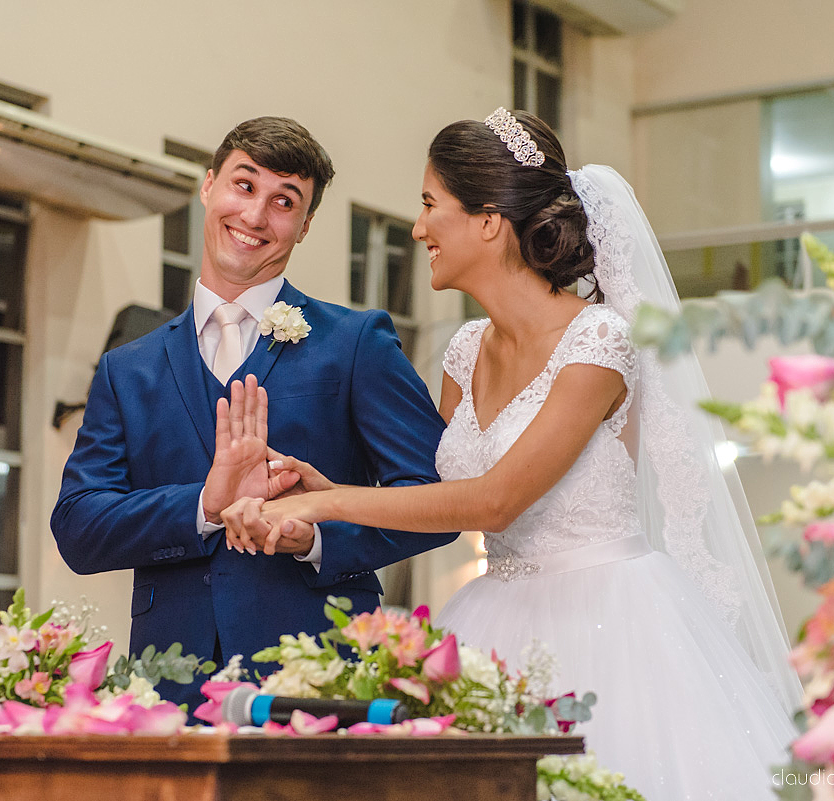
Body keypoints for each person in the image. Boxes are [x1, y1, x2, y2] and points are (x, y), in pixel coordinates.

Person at [222, 110, 802, 799]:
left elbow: (495, 498)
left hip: (613, 624)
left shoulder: (599, 344)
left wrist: (327, 500)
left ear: (489, 221)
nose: (418, 228)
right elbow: (439, 500)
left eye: (431, 205)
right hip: (496, 617)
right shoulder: (465, 351)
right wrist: (320, 483)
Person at [50, 116, 457, 712]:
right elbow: (79, 529)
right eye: (244, 186)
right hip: (169, 689)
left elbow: (435, 501)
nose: (256, 215)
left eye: (284, 201)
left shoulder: (355, 343)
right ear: (209, 185)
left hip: (321, 680)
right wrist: (202, 506)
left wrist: (315, 536)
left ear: (305, 225)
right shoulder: (126, 369)